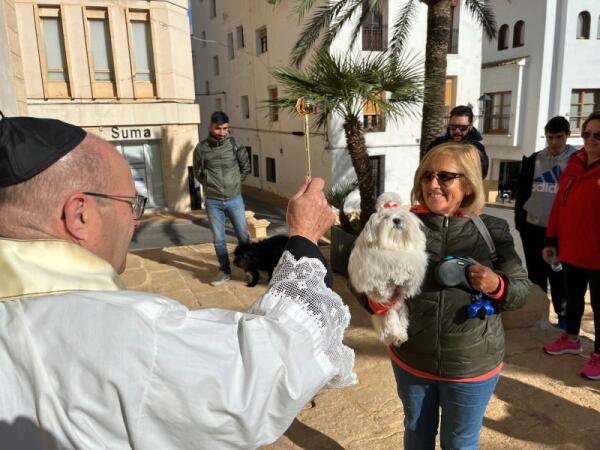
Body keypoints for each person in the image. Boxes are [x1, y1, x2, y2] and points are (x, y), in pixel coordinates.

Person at [0, 115, 357, 448]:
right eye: (131, 204)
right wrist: (305, 235)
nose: (135, 221)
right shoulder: (126, 332)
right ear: (79, 215)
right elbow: (268, 370)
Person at [371, 142, 529, 449]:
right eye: (427, 175)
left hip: (471, 363)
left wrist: (496, 284)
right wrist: (379, 299)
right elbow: (365, 276)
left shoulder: (492, 230)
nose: (432, 185)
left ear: (468, 183)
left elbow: (520, 291)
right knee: (416, 435)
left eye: (445, 177)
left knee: (460, 443)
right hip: (412, 358)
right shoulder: (401, 224)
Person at [542, 111, 600, 380]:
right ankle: (571, 339)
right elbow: (559, 206)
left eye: (598, 135)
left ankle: (598, 356)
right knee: (571, 297)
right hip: (573, 250)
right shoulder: (574, 164)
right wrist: (551, 239)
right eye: (587, 134)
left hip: (597, 254)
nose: (591, 140)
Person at [514, 116, 577, 330]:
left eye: (559, 137)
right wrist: (520, 224)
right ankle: (539, 318)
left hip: (561, 232)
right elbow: (521, 194)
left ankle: (564, 320)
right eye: (550, 137)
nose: (554, 142)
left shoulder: (578, 161)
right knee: (536, 276)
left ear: (567, 135)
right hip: (533, 228)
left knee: (560, 277)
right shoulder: (533, 160)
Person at [193, 111, 251, 286]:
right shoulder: (201, 148)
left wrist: (234, 184)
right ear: (210, 126)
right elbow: (197, 172)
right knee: (219, 239)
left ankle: (249, 269)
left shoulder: (234, 144)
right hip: (213, 201)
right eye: (218, 128)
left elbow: (245, 167)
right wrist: (210, 184)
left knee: (243, 236)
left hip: (235, 199)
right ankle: (225, 271)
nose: (222, 132)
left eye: (225, 128)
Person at [426, 105, 490, 177]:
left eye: (462, 128)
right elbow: (425, 168)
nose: (457, 131)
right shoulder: (437, 144)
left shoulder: (477, 149)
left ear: (470, 126)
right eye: (453, 127)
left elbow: (481, 174)